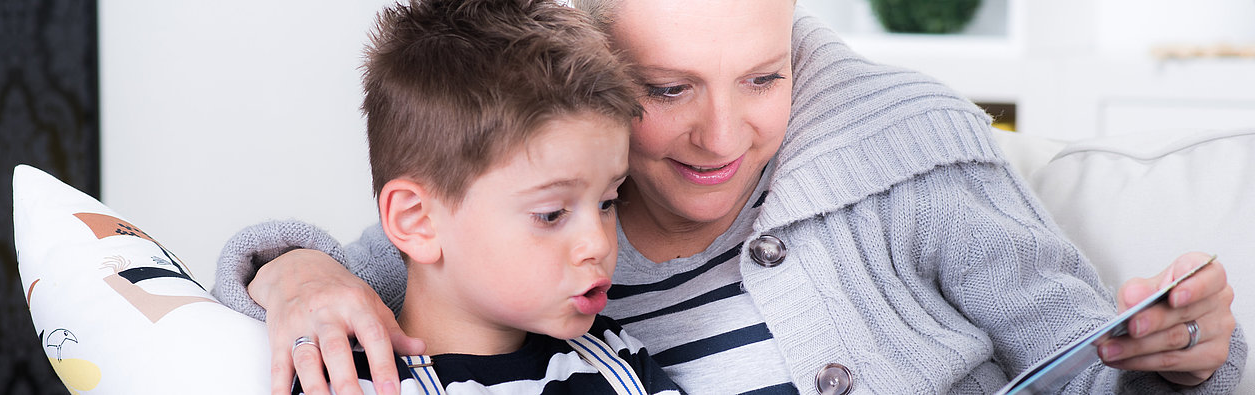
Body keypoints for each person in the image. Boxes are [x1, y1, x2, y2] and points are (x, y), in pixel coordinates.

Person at [214, 0, 1246, 394]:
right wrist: (294, 273)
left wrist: (1185, 357)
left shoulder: (909, 146)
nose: (723, 137)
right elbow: (402, 254)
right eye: (665, 92)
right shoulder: (549, 207)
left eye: (765, 75)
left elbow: (1095, 357)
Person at [269, 0, 682, 393]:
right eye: (551, 213)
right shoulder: (344, 380)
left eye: (607, 202)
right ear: (418, 221)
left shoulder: (615, 360)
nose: (598, 242)